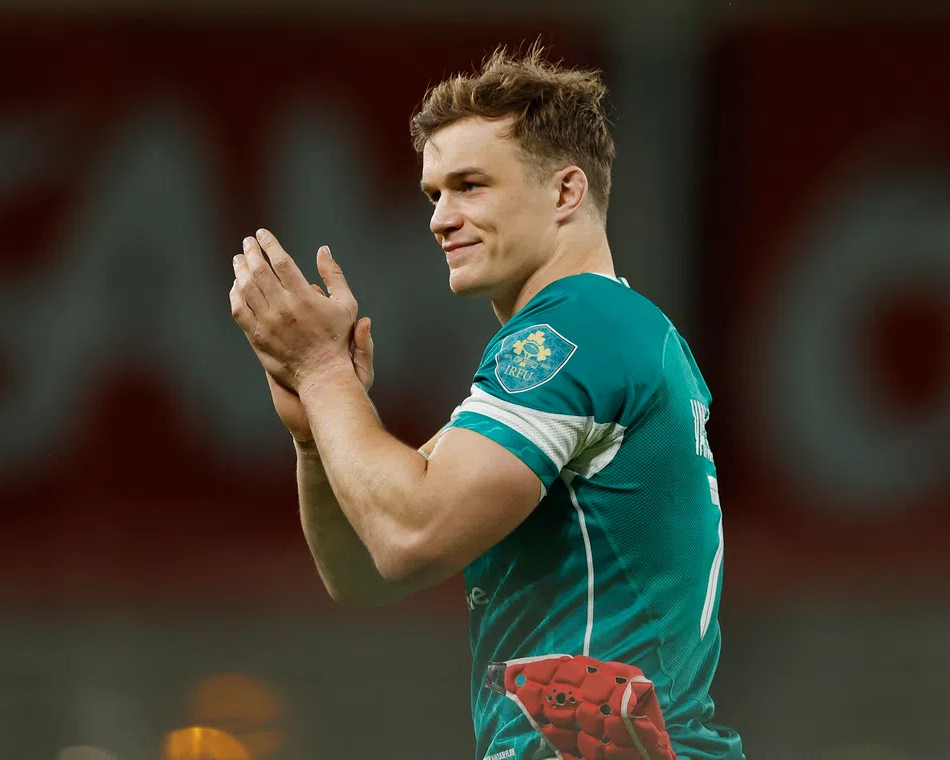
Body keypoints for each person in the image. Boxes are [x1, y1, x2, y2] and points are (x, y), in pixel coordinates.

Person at [229, 44, 744, 760]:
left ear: (566, 192)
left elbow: (412, 536)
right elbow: (365, 572)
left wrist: (323, 372)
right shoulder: (605, 335)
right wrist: (316, 434)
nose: (441, 219)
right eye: (433, 193)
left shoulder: (575, 330)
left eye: (470, 185)